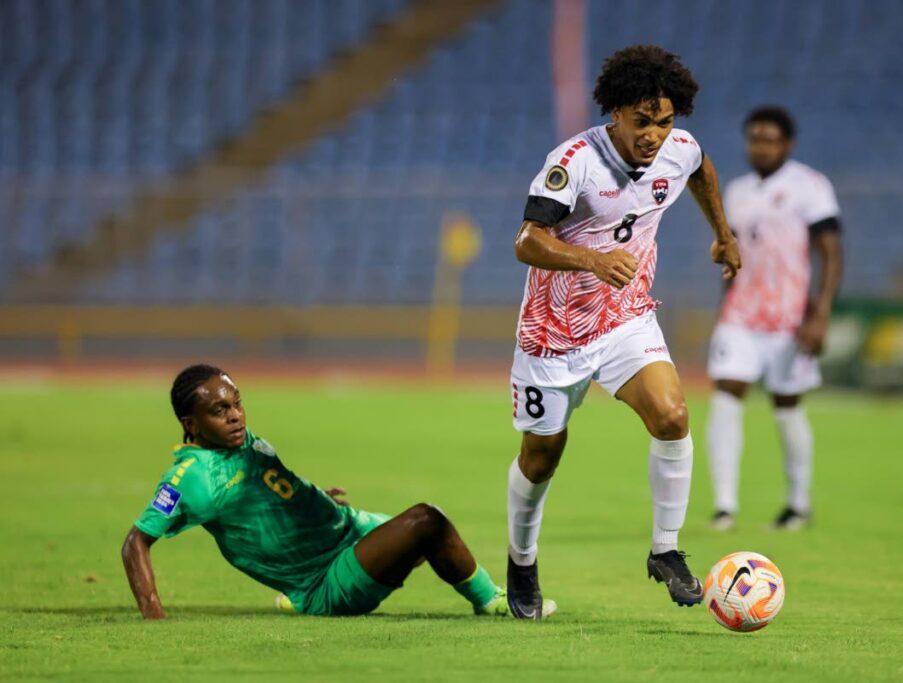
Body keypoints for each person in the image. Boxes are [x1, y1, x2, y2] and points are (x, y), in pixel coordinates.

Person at [504, 45, 742, 618]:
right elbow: (526, 241)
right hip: (553, 334)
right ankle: (522, 558)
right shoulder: (574, 162)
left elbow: (702, 168)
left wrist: (724, 235)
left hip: (625, 318)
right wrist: (591, 260)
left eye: (663, 122)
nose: (654, 135)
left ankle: (666, 549)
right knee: (541, 457)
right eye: (642, 122)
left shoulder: (677, 150)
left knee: (673, 416)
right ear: (615, 112)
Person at [122, 364, 556, 619]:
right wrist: (153, 612)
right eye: (220, 411)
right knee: (428, 522)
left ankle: (492, 598)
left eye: (237, 403)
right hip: (323, 580)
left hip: (342, 529)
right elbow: (135, 543)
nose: (236, 416)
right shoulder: (191, 480)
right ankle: (497, 604)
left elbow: (266, 488)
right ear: (191, 424)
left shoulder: (234, 439)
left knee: (436, 540)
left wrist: (310, 497)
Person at [705, 106, 844, 531]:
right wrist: (725, 305)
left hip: (789, 318)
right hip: (742, 315)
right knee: (726, 394)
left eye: (769, 139)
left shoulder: (810, 186)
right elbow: (731, 253)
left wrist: (819, 315)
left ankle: (797, 504)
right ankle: (725, 506)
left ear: (787, 143)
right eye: (754, 139)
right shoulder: (737, 190)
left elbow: (831, 253)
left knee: (787, 407)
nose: (760, 147)